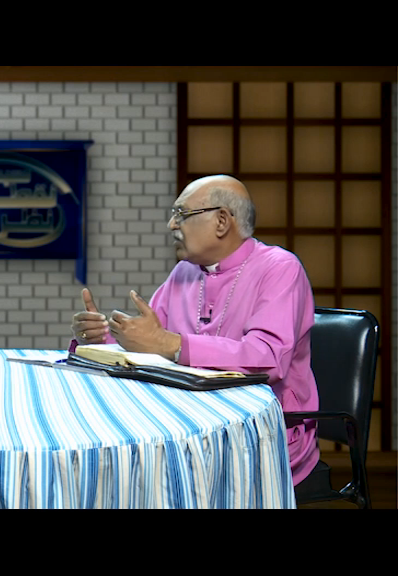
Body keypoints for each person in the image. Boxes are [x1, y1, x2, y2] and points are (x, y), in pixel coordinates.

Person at [70, 174, 319, 486]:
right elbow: (152, 345)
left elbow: (267, 358)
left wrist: (173, 345)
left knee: (148, 473)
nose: (171, 225)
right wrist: (101, 339)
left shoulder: (280, 268)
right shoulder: (184, 272)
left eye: (181, 214)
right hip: (190, 422)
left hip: (260, 430)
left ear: (221, 221)